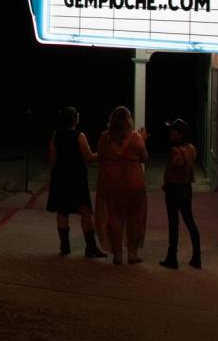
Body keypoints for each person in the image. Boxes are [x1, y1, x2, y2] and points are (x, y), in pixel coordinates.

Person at [47, 106, 108, 258]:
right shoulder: (79, 136)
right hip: (76, 178)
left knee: (62, 211)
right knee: (85, 210)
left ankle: (65, 246)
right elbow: (89, 157)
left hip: (60, 177)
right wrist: (103, 152)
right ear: (75, 119)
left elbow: (53, 158)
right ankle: (91, 247)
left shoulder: (56, 135)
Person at [96, 106, 148, 264]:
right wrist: (143, 140)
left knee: (115, 218)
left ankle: (117, 254)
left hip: (112, 183)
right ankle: (132, 253)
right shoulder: (136, 137)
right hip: (133, 182)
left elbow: (100, 157)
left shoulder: (105, 137)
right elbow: (144, 158)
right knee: (135, 217)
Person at [158, 118, 202, 269]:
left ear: (181, 134)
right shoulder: (191, 149)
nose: (171, 133)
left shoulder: (175, 151)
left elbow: (170, 172)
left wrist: (165, 184)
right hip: (186, 188)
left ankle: (172, 258)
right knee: (190, 222)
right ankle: (197, 257)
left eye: (174, 131)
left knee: (173, 223)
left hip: (174, 189)